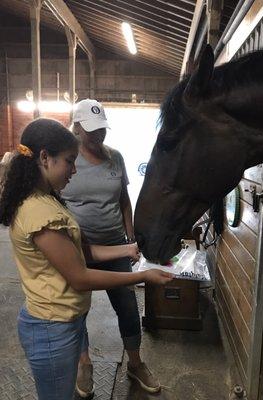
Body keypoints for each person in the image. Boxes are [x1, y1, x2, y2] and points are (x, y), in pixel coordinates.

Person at [0, 118, 173, 400]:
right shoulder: (39, 213)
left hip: (63, 319)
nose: (74, 169)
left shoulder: (49, 199)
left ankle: (135, 363)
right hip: (51, 328)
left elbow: (80, 252)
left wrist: (126, 250)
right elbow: (80, 277)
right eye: (69, 161)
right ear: (45, 158)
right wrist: (143, 275)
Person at [62, 98, 160, 397]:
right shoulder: (65, 162)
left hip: (116, 245)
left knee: (128, 307)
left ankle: (135, 363)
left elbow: (123, 200)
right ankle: (84, 362)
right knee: (77, 309)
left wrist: (130, 238)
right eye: (91, 130)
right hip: (78, 249)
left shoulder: (115, 158)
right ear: (76, 127)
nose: (98, 135)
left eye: (102, 129)